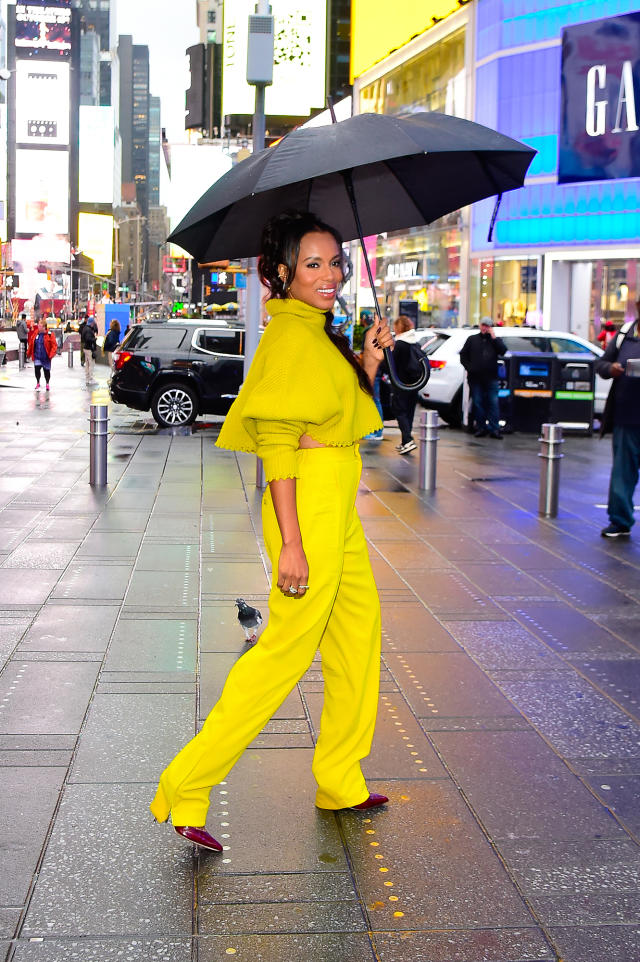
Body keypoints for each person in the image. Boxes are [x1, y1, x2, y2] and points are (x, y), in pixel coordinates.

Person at [150, 210, 394, 852]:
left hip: (336, 499)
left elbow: (335, 419)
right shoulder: (289, 338)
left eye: (336, 262)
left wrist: (365, 364)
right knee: (284, 652)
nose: (331, 274)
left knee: (357, 633)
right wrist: (289, 541)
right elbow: (280, 448)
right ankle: (187, 786)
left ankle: (340, 776)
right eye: (313, 264)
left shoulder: (317, 333)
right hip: (308, 505)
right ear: (280, 274)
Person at [595, 303, 640, 537]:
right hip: (627, 416)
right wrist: (609, 368)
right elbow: (600, 364)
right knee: (623, 471)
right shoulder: (625, 334)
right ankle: (620, 520)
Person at [459, 318, 506, 439]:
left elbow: (503, 351)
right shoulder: (472, 339)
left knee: (493, 402)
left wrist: (494, 337)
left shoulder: (495, 340)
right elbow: (463, 355)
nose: (485, 328)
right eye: (484, 325)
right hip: (475, 377)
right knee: (478, 402)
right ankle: (481, 427)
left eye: (488, 326)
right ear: (480, 325)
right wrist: (469, 368)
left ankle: (494, 428)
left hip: (491, 377)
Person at [391, 315, 421, 454]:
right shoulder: (415, 342)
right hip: (414, 383)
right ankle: (405, 441)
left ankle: (408, 440)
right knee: (409, 412)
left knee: (399, 411)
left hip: (401, 382)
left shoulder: (401, 344)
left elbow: (392, 365)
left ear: (399, 327)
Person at [26, 317, 57, 391]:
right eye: (38, 326)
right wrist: (28, 353)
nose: (38, 327)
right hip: (37, 356)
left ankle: (47, 383)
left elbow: (54, 345)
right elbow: (31, 344)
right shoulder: (36, 333)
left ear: (44, 327)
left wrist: (51, 355)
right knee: (37, 370)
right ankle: (38, 382)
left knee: (46, 371)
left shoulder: (49, 334)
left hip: (46, 357)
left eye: (40, 326)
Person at [81, 316, 97, 385]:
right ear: (92, 323)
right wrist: (95, 339)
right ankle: (91, 378)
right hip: (89, 348)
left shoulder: (85, 328)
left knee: (87, 364)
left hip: (86, 348)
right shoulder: (89, 330)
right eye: (93, 322)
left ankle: (87, 378)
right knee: (91, 364)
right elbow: (88, 339)